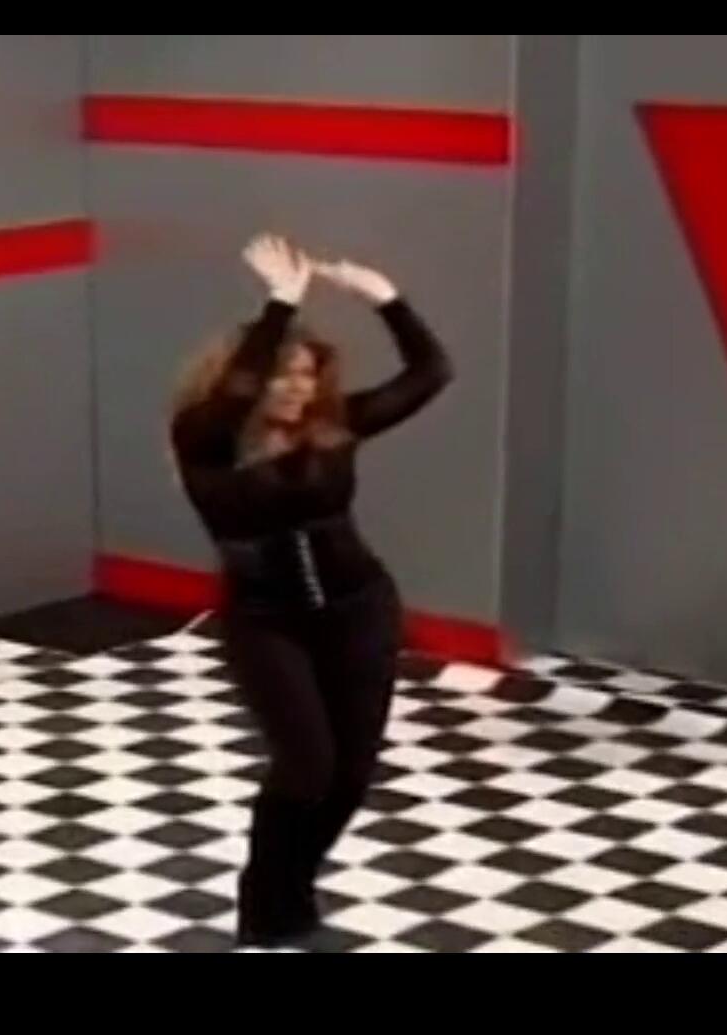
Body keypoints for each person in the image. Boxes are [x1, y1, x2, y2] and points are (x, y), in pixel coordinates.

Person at [169, 234, 452, 947]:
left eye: (306, 374)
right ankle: (264, 901)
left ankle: (291, 893)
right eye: (282, 375)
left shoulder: (334, 428)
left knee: (350, 775)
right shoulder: (206, 437)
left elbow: (431, 372)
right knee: (305, 768)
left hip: (359, 610)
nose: (297, 387)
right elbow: (235, 395)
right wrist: (281, 303)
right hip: (267, 621)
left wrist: (386, 298)